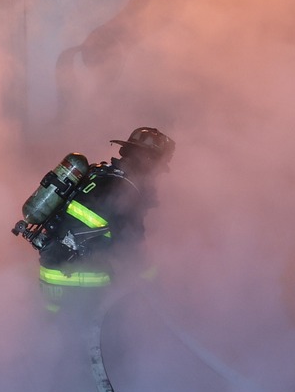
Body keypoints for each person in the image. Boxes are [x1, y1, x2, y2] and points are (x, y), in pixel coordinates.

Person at [16, 127, 175, 308]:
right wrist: (158, 286)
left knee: (51, 321)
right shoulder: (126, 193)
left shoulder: (97, 173)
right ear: (148, 162)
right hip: (80, 285)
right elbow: (132, 251)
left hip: (51, 277)